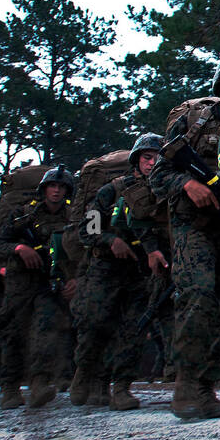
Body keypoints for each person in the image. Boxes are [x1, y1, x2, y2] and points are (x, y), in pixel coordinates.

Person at [151, 52, 220, 419]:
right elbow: (158, 174)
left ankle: (207, 385)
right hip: (192, 225)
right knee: (198, 295)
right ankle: (185, 383)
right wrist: (186, 184)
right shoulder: (194, 121)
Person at [72, 133, 169, 411]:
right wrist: (110, 241)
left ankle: (122, 386)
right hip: (106, 269)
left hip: (141, 272)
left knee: (133, 329)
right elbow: (86, 230)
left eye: (157, 157)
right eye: (147, 157)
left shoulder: (164, 191)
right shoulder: (112, 190)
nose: (152, 163)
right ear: (136, 160)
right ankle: (87, 373)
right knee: (96, 324)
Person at [0, 166, 76, 409]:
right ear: (44, 189)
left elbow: (81, 252)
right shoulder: (22, 215)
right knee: (14, 333)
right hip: (20, 283)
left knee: (44, 330)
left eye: (61, 187)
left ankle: (40, 383)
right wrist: (19, 249)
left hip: (49, 283)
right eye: (52, 186)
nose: (56, 191)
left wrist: (74, 278)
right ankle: (10, 387)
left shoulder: (73, 219)